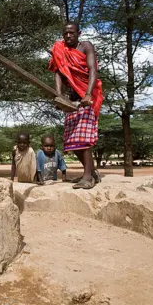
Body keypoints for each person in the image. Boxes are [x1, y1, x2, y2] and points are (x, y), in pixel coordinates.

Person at [48, 21, 103, 189]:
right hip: (72, 100)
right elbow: (58, 73)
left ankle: (87, 177)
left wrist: (87, 94)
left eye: (71, 33)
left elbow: (93, 70)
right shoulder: (60, 49)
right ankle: (91, 173)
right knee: (73, 140)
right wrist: (59, 95)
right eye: (65, 33)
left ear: (78, 33)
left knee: (84, 138)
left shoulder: (86, 46)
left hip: (88, 96)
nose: (68, 36)